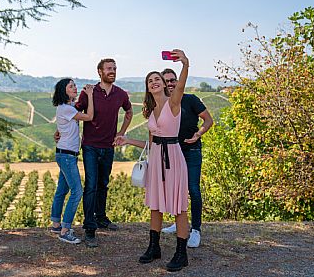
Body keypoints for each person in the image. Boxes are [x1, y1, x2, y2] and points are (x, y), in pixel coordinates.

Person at [114, 49, 190, 272]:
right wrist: (127, 140)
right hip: (156, 160)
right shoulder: (151, 111)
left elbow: (182, 85)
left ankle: (181, 254)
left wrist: (185, 64)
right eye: (150, 80)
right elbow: (151, 143)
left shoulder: (173, 102)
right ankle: (153, 247)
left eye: (157, 79)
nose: (154, 82)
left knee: (179, 208)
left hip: (173, 159)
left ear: (164, 84)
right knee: (155, 206)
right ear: (147, 87)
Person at [55, 58, 133, 248]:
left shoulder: (120, 94)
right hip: (89, 146)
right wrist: (60, 130)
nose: (112, 71)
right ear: (100, 72)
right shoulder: (88, 92)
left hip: (108, 146)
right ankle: (90, 229)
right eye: (109, 69)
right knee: (90, 186)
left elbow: (129, 112)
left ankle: (101, 218)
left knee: (103, 184)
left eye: (114, 68)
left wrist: (121, 133)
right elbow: (73, 112)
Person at [160, 69, 213, 248]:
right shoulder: (163, 104)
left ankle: (196, 230)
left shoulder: (191, 100)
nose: (170, 83)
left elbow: (208, 120)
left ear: (178, 81)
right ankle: (180, 222)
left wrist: (198, 135)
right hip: (173, 151)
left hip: (191, 151)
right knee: (177, 190)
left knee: (193, 190)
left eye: (173, 80)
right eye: (166, 81)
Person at [50, 79, 94, 244]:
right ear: (63, 91)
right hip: (67, 156)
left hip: (66, 154)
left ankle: (56, 224)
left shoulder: (66, 109)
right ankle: (65, 230)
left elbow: (64, 127)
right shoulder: (67, 108)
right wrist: (90, 95)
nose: (75, 88)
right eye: (71, 86)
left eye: (75, 85)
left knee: (62, 190)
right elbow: (89, 116)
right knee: (77, 192)